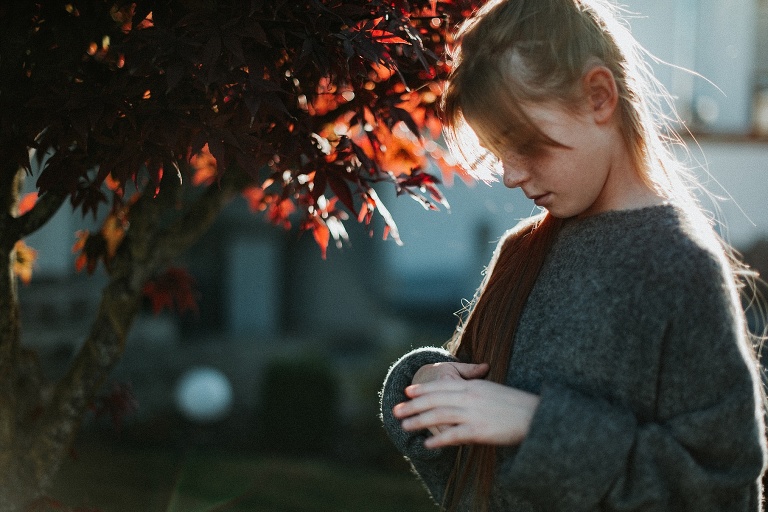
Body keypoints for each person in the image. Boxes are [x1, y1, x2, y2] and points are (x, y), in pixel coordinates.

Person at [378, 0, 768, 510]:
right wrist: (426, 384)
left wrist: (538, 426)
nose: (511, 175)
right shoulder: (523, 250)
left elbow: (721, 493)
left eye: (525, 143)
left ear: (599, 96)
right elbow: (470, 476)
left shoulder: (679, 268)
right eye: (498, 152)